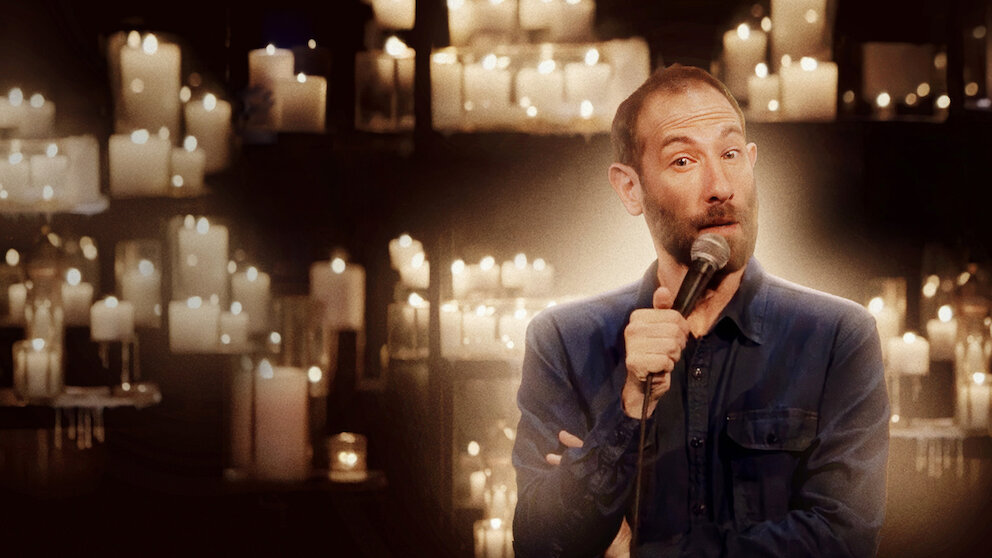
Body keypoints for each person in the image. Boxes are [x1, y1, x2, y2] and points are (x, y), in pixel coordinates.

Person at [511, 64, 889, 557]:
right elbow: (541, 543)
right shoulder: (563, 342)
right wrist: (629, 408)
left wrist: (641, 552)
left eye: (730, 154)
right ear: (630, 188)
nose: (720, 186)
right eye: (684, 161)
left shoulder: (838, 337)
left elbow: (844, 539)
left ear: (751, 162)